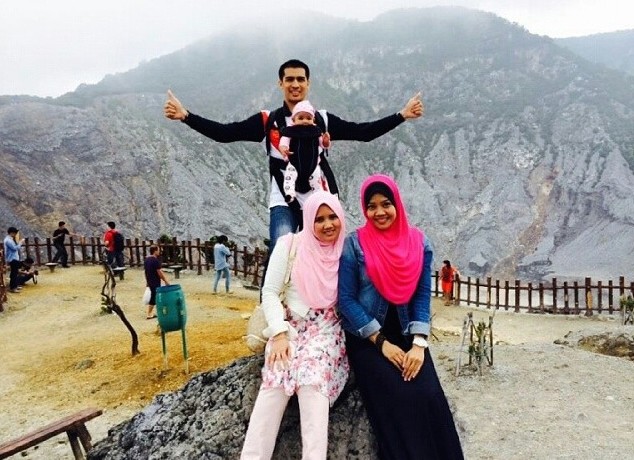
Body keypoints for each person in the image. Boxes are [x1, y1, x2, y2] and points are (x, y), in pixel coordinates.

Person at [164, 58, 424, 256]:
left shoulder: (322, 119)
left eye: (301, 79)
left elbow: (362, 133)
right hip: (284, 197)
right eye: (289, 79)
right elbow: (225, 134)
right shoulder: (268, 120)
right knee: (281, 249)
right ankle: (271, 307)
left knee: (330, 253)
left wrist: (401, 115)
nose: (295, 84)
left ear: (308, 83)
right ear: (281, 83)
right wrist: (186, 116)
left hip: (319, 197)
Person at [338, 174, 463, 460]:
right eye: (371, 206)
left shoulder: (419, 243)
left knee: (429, 396)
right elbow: (346, 299)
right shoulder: (354, 244)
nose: (379, 212)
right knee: (400, 397)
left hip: (407, 334)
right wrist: (381, 342)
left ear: (397, 204)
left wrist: (419, 344)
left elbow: (421, 295)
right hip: (367, 339)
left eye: (386, 204)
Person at [241, 191, 349, 460]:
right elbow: (269, 291)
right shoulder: (291, 245)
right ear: (308, 219)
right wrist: (278, 333)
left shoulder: (345, 251)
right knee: (276, 376)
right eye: (319, 219)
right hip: (289, 327)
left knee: (313, 380)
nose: (327, 225)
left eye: (332, 217)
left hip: (327, 331)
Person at [278, 100, 332, 225]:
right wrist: (284, 149)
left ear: (313, 120)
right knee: (289, 177)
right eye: (301, 118)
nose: (305, 121)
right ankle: (289, 193)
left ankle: (318, 197)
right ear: (294, 119)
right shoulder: (290, 132)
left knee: (316, 180)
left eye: (308, 118)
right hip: (295, 163)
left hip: (313, 165)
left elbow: (323, 145)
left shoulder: (316, 132)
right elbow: (283, 143)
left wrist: (326, 141)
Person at [144, 244, 170, 319]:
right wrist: (165, 280)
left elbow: (145, 272)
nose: (159, 252)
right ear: (155, 251)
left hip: (149, 279)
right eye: (158, 250)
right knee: (154, 296)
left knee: (155, 295)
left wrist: (147, 281)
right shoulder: (155, 260)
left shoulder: (147, 260)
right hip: (155, 280)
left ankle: (154, 312)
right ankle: (149, 313)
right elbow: (159, 272)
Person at [3, 227, 24, 293]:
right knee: (14, 273)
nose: (15, 234)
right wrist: (20, 243)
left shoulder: (9, 239)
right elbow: (15, 248)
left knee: (15, 273)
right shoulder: (8, 240)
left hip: (13, 258)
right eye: (15, 233)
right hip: (12, 258)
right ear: (12, 233)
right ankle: (13, 287)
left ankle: (15, 285)